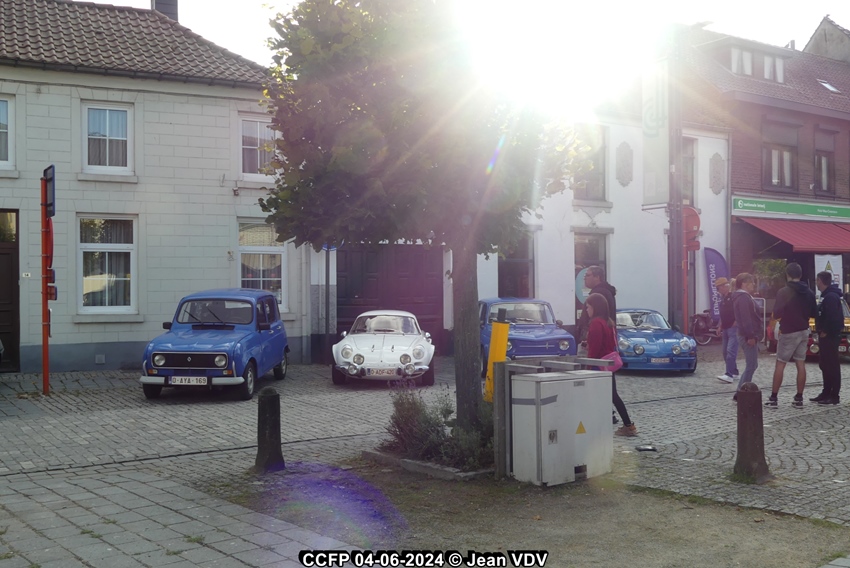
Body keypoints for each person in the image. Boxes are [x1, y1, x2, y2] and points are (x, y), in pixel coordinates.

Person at [765, 263, 817, 408]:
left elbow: (777, 313)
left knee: (781, 363)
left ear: (787, 274)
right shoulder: (809, 292)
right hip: (804, 330)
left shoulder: (784, 292)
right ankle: (799, 398)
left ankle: (774, 398)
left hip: (788, 331)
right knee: (801, 363)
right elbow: (814, 312)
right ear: (800, 275)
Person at [584, 293, 637, 437]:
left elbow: (595, 348)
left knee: (595, 396)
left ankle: (597, 426)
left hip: (598, 364)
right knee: (612, 395)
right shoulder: (609, 322)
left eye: (588, 307)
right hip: (608, 364)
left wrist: (588, 365)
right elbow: (610, 343)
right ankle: (628, 425)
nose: (587, 310)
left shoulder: (596, 323)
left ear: (594, 307)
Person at [813, 271, 843, 405]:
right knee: (825, 364)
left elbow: (832, 317)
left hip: (830, 336)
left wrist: (825, 330)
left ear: (820, 281)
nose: (816, 283)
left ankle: (834, 395)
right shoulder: (826, 296)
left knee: (832, 365)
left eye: (817, 280)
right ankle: (826, 392)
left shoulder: (830, 297)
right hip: (826, 335)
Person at [731, 273, 762, 402]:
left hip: (745, 334)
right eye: (751, 282)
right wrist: (751, 336)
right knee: (751, 365)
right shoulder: (743, 297)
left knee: (752, 364)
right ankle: (741, 393)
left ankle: (740, 392)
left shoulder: (742, 296)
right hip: (747, 335)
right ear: (744, 283)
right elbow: (746, 318)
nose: (753, 284)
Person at [576, 265, 617, 345]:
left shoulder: (598, 294)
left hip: (596, 337)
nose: (585, 278)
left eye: (587, 275)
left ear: (597, 277)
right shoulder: (606, 291)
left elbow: (596, 317)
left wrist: (586, 335)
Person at [715, 277, 739, 383]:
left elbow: (738, 310)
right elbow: (723, 314)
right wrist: (720, 326)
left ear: (723, 287)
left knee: (730, 351)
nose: (718, 290)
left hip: (733, 328)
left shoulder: (733, 297)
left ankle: (729, 375)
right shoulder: (723, 298)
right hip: (726, 327)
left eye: (718, 288)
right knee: (726, 352)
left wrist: (736, 322)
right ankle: (734, 372)